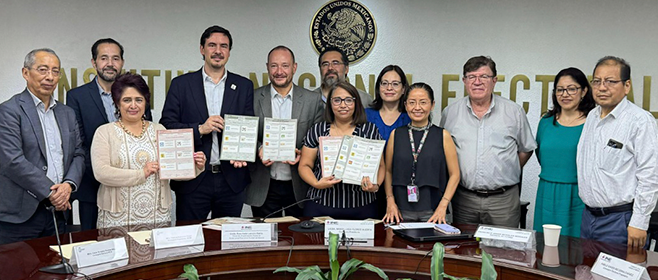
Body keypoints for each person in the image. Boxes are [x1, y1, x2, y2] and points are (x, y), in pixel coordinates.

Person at [160, 25, 254, 221]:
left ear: (229, 51)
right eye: (212, 45)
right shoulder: (181, 84)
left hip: (231, 178)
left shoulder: (244, 86)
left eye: (224, 46)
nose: (218, 51)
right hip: (193, 177)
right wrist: (199, 129)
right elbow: (167, 125)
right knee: (189, 238)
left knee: (227, 242)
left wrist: (243, 151)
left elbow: (249, 126)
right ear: (202, 49)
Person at [91, 73, 205, 228]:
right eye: (126, 100)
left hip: (157, 215)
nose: (133, 105)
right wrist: (141, 173)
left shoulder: (159, 129)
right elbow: (101, 172)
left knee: (155, 252)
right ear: (117, 103)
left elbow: (173, 171)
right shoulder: (105, 132)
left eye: (139, 100)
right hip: (118, 217)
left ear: (146, 102)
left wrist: (195, 166)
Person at [440, 56, 536, 228]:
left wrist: (506, 169)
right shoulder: (450, 113)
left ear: (494, 81)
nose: (477, 82)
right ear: (464, 81)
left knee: (504, 251)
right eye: (471, 77)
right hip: (464, 199)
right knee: (463, 251)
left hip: (503, 201)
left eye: (483, 76)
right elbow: (444, 152)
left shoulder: (513, 112)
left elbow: (526, 149)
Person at [67, 38, 153, 230]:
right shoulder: (77, 96)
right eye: (104, 58)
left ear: (122, 62)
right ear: (94, 62)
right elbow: (78, 144)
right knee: (93, 244)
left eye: (115, 58)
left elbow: (145, 133)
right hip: (92, 184)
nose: (110, 64)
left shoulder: (135, 95)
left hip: (135, 186)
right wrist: (104, 173)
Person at [0, 49, 84, 244]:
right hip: (20, 216)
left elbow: (79, 154)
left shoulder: (67, 113)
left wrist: (68, 185)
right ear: (25, 73)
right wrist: (52, 192)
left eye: (55, 71)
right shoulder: (9, 111)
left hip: (58, 213)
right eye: (43, 69)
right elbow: (12, 160)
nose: (50, 77)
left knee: (56, 271)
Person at [577, 56, 658, 249]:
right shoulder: (592, 117)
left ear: (627, 86)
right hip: (588, 218)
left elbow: (650, 175)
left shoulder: (640, 121)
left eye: (611, 81)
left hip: (621, 222)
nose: (602, 87)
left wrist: (639, 222)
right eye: (597, 81)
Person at [245, 46, 324, 218]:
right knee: (266, 241)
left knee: (299, 238)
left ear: (294, 67)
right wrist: (259, 148)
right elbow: (245, 134)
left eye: (285, 66)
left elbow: (320, 139)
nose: (279, 71)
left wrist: (304, 153)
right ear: (267, 67)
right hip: (264, 185)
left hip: (300, 184)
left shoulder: (312, 100)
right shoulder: (252, 98)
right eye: (274, 66)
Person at [299, 81, 384, 219]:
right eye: (337, 100)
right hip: (321, 203)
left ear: (356, 103)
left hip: (362, 206)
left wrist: (375, 186)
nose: (343, 105)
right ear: (330, 104)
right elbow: (304, 165)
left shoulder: (369, 130)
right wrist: (316, 183)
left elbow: (380, 166)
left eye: (348, 100)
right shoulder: (318, 130)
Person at [383, 83, 460, 223]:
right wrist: (390, 201)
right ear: (405, 105)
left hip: (434, 212)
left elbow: (455, 175)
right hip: (399, 212)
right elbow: (388, 171)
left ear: (432, 105)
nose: (417, 107)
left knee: (434, 245)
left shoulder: (443, 135)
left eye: (423, 102)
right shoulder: (396, 134)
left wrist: (443, 205)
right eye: (412, 102)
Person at [534, 67, 595, 237]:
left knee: (575, 249)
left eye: (571, 89)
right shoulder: (546, 121)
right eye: (560, 89)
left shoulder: (593, 122)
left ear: (583, 91)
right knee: (544, 246)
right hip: (547, 192)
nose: (565, 94)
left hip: (578, 195)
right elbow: (541, 155)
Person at [365, 65, 411, 141]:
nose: (389, 88)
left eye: (395, 84)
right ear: (378, 87)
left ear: (403, 89)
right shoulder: (365, 115)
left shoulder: (410, 117)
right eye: (384, 83)